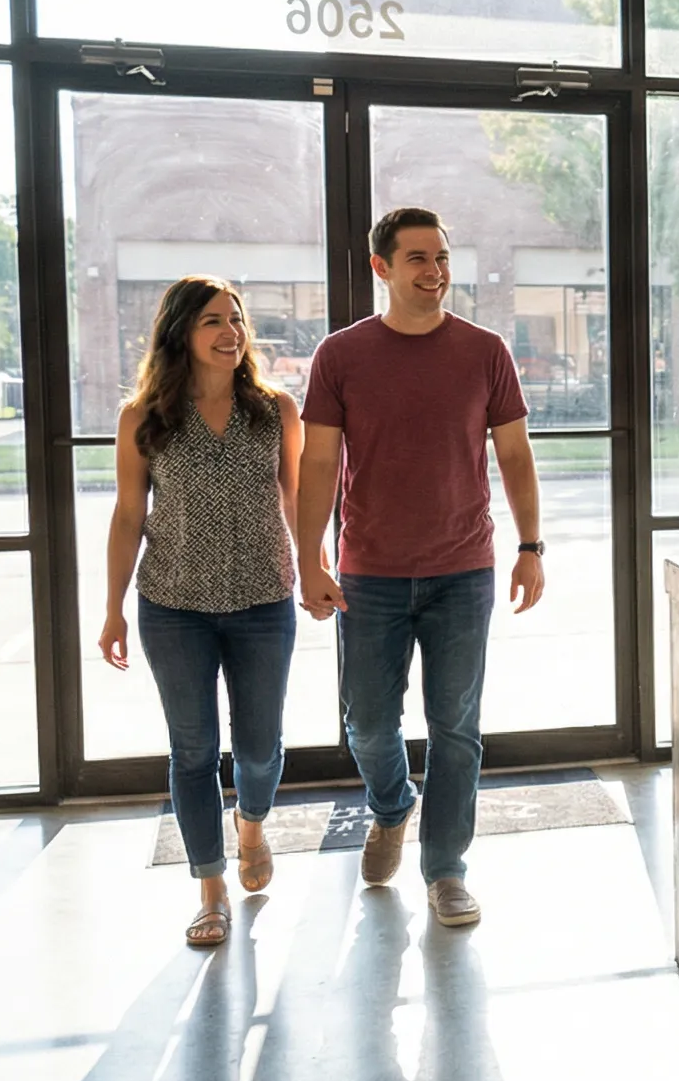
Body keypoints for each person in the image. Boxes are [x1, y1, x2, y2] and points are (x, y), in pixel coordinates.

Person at [296, 206, 544, 930]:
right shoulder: (340, 356)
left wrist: (531, 547)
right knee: (368, 724)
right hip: (369, 571)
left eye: (441, 257)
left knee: (456, 727)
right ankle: (391, 806)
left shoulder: (485, 350)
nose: (435, 273)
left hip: (463, 569)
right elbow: (318, 462)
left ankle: (446, 871)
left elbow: (515, 456)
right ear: (382, 268)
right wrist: (310, 555)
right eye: (417, 260)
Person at [98, 276, 305, 948]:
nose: (230, 333)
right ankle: (210, 890)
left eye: (237, 319)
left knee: (258, 747)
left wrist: (319, 568)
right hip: (173, 606)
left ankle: (251, 822)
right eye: (213, 320)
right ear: (180, 331)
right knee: (192, 752)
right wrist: (112, 609)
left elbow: (299, 501)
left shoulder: (276, 410)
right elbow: (130, 515)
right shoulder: (144, 418)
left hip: (264, 601)